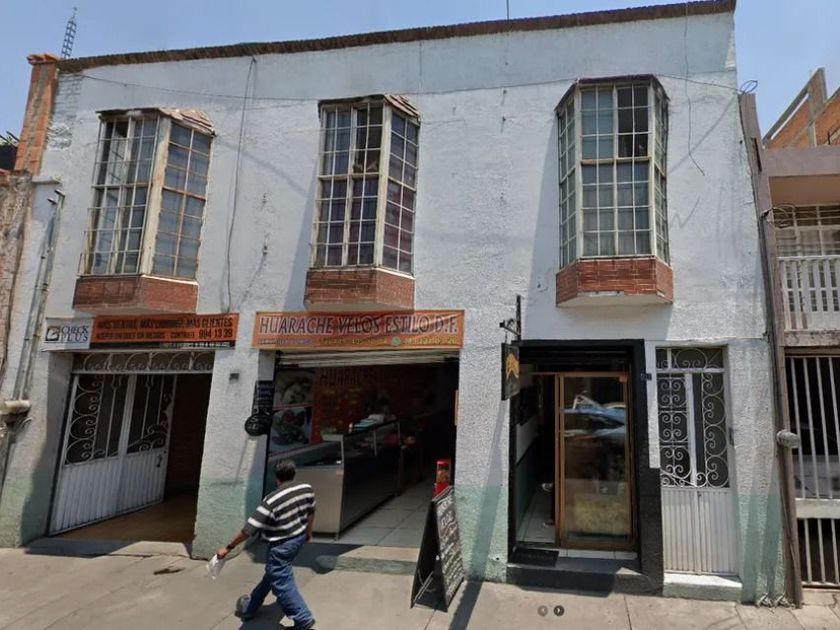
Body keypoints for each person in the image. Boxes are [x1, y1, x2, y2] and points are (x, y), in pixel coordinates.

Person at [217, 459, 316, 628]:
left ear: (276, 478)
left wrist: (228, 548)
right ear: (294, 474)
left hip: (281, 546)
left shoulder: (271, 500)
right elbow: (311, 512)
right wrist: (308, 532)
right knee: (274, 574)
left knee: (282, 582)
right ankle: (251, 607)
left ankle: (303, 618)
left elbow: (248, 530)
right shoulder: (306, 489)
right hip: (298, 540)